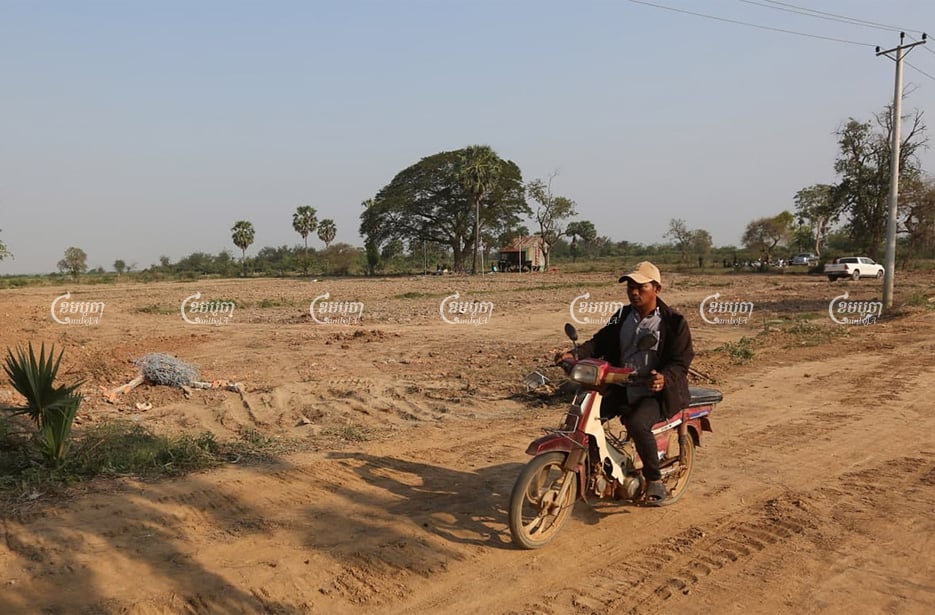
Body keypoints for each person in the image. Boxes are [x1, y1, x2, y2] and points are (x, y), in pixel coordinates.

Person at [556, 261, 694, 505]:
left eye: (641, 287)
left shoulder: (674, 322)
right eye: (630, 286)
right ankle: (597, 468)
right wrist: (574, 354)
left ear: (657, 289)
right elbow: (600, 341)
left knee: (637, 422)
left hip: (654, 392)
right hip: (621, 385)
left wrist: (663, 378)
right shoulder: (621, 316)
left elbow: (680, 361)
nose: (634, 292)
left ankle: (654, 480)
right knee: (587, 415)